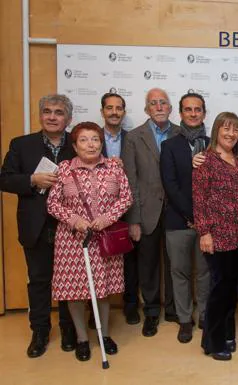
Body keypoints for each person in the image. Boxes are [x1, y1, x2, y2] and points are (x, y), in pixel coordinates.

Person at [47, 122, 133, 361]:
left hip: (103, 238)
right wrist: (75, 220)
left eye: (95, 139)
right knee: (75, 293)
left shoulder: (114, 168)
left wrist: (107, 218)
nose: (91, 144)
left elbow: (126, 198)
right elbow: (53, 204)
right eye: (84, 140)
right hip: (72, 241)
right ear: (74, 145)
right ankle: (82, 338)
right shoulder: (64, 169)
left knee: (102, 291)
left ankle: (104, 335)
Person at [0, 94, 77, 358]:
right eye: (47, 111)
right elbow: (5, 179)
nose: (52, 117)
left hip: (70, 226)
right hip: (35, 226)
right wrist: (32, 179)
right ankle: (40, 331)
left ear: (68, 118)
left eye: (58, 112)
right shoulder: (22, 145)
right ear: (40, 115)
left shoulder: (79, 143)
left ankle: (69, 329)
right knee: (39, 281)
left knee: (70, 282)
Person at [193, 112, 238, 361]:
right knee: (219, 290)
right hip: (216, 235)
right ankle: (212, 342)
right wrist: (204, 232)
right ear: (216, 130)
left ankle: (227, 333)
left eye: (235, 129)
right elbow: (199, 199)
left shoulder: (237, 161)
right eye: (226, 129)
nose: (231, 134)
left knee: (229, 290)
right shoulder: (205, 160)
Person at [121, 88, 180, 337]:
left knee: (176, 263)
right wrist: (132, 219)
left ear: (170, 108)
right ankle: (152, 312)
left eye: (163, 103)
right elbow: (130, 180)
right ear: (146, 109)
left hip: (176, 210)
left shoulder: (180, 133)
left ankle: (174, 309)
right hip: (145, 211)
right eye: (153, 103)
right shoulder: (134, 137)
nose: (158, 107)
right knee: (148, 265)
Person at [160, 93, 211, 343]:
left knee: (204, 272)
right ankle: (184, 319)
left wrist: (202, 218)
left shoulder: (214, 145)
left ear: (204, 113)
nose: (193, 113)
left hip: (207, 224)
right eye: (188, 110)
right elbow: (170, 185)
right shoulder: (169, 146)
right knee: (179, 272)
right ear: (180, 114)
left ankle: (203, 314)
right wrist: (191, 215)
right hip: (178, 221)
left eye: (198, 109)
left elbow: (218, 187)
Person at [94, 92, 140, 326]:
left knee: (129, 262)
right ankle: (96, 311)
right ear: (102, 111)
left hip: (125, 207)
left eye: (119, 108)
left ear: (124, 111)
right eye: (109, 108)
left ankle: (130, 306)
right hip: (94, 212)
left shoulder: (132, 138)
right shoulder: (90, 137)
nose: (114, 112)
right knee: (97, 262)